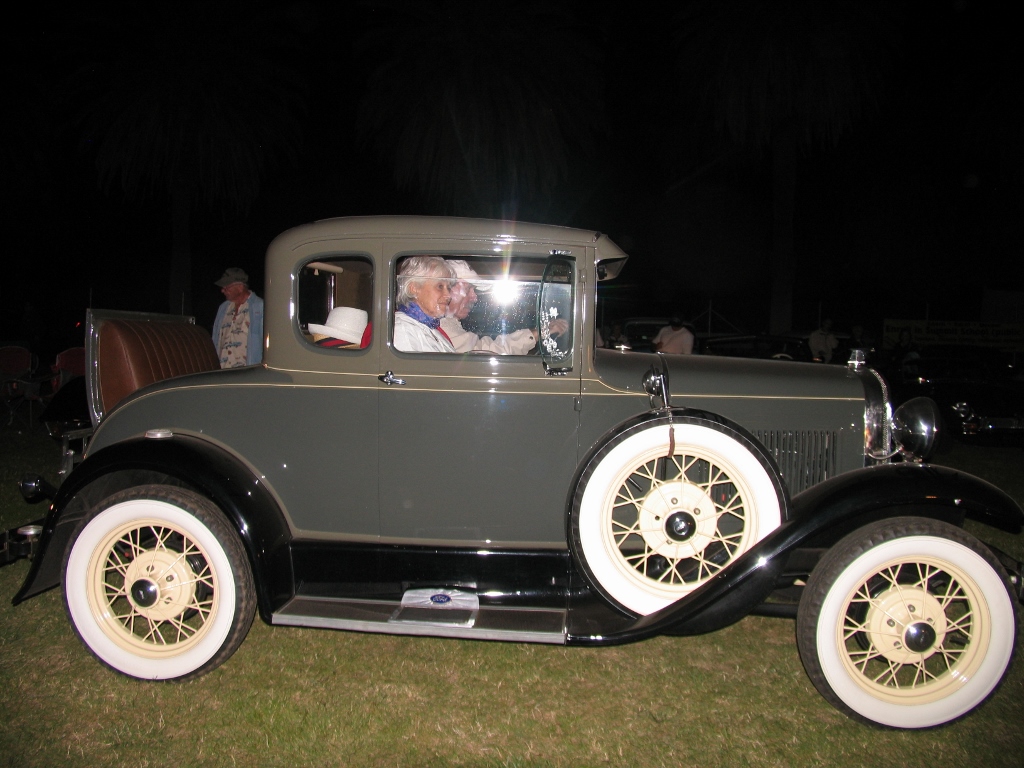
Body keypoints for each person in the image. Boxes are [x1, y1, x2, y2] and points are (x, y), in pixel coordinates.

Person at [440, 260, 558, 354]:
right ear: (448, 289)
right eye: (468, 288)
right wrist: (536, 334)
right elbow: (485, 353)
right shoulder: (439, 325)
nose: (474, 297)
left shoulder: (448, 323)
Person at [393, 257, 457, 352]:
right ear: (414, 288)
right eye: (440, 286)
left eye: (448, 288)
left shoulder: (433, 329)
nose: (448, 295)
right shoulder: (401, 330)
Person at [212, 267, 264, 368]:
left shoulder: (259, 307)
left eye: (227, 287)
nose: (222, 290)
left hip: (247, 374)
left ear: (240, 287)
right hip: (222, 372)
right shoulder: (223, 308)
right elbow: (215, 339)